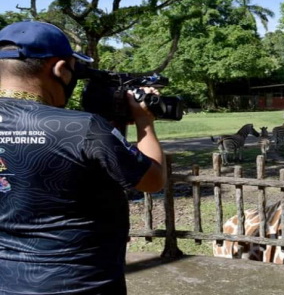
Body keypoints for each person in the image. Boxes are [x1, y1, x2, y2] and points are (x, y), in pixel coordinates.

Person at [0, 20, 166, 294]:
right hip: (82, 284)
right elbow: (153, 180)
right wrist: (144, 122)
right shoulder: (83, 127)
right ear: (60, 70)